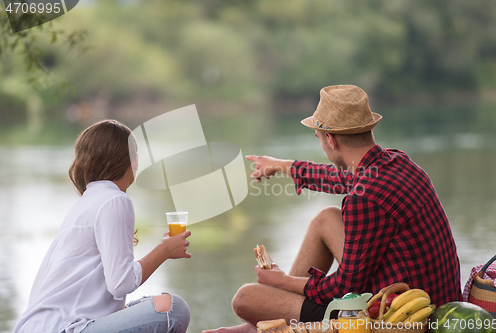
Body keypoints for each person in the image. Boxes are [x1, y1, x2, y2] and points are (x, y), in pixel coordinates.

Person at [204, 85, 462, 333]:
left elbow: (344, 287)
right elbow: (340, 177)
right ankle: (268, 318)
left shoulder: (364, 199)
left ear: (330, 139)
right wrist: (282, 165)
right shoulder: (397, 162)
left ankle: (267, 318)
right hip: (436, 298)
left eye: (319, 138)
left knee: (245, 298)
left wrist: (282, 281)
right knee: (327, 218)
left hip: (398, 316)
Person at [14, 120, 192, 333]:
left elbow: (108, 289)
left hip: (39, 327)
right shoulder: (114, 200)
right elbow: (121, 284)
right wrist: (163, 251)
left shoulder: (89, 199)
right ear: (131, 160)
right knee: (173, 309)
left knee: (140, 307)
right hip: (64, 328)